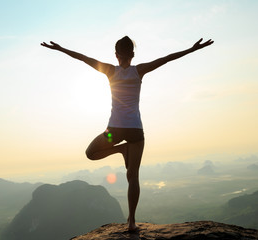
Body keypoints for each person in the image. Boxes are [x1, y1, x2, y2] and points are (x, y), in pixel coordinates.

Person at [41, 36, 214, 231]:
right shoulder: (139, 70)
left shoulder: (109, 70)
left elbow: (83, 58)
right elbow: (167, 58)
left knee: (91, 153)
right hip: (135, 131)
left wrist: (60, 48)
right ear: (132, 54)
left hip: (113, 131)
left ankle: (120, 150)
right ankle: (131, 221)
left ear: (116, 54)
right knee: (133, 176)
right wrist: (192, 49)